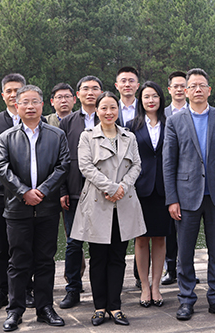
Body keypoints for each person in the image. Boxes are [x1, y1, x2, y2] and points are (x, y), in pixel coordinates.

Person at [163, 68, 215, 321]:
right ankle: (186, 299)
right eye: (193, 86)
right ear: (185, 91)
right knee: (185, 252)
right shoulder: (175, 121)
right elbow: (169, 163)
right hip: (186, 196)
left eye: (202, 85)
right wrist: (172, 199)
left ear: (209, 90)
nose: (198, 89)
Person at [0, 85, 69, 331]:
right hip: (17, 209)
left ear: (42, 105)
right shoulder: (6, 137)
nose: (30, 106)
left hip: (47, 208)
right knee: (18, 261)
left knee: (46, 260)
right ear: (17, 106)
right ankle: (14, 310)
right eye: (25, 102)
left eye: (34, 102)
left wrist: (43, 191)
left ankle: (45, 308)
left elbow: (63, 165)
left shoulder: (57, 135)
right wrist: (24, 192)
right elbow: (2, 168)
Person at [71, 91, 146, 326]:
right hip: (97, 203)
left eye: (113, 107)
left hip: (124, 202)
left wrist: (122, 187)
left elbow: (136, 165)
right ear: (97, 110)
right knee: (98, 257)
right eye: (103, 108)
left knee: (118, 257)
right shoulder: (87, 136)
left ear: (118, 109)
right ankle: (99, 308)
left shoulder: (128, 136)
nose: (108, 112)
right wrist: (111, 187)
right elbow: (86, 167)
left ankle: (115, 307)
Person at [0, 73, 30, 312]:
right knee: (1, 244)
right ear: (3, 95)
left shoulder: (35, 119)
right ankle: (2, 290)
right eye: (9, 91)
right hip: (0, 193)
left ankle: (27, 289)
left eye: (17, 90)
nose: (13, 95)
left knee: (26, 244)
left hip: (29, 193)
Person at [58, 75, 103, 309]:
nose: (90, 92)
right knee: (74, 243)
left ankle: (101, 291)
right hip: (74, 191)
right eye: (85, 89)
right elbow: (61, 159)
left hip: (102, 192)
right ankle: (73, 289)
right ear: (78, 95)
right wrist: (62, 189)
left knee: (100, 244)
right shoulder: (67, 122)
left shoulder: (108, 117)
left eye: (95, 88)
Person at [127, 82, 172, 308]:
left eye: (155, 96)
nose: (151, 100)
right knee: (141, 238)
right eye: (146, 96)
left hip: (164, 188)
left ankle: (156, 286)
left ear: (161, 99)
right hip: (140, 189)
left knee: (160, 238)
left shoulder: (170, 123)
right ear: (140, 100)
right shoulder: (131, 126)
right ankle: (144, 286)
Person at [160, 71, 188, 287]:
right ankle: (171, 268)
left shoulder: (195, 112)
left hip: (190, 180)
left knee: (189, 228)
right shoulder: (162, 114)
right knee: (170, 227)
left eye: (182, 86)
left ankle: (187, 268)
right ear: (169, 90)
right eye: (175, 86)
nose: (179, 89)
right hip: (167, 177)